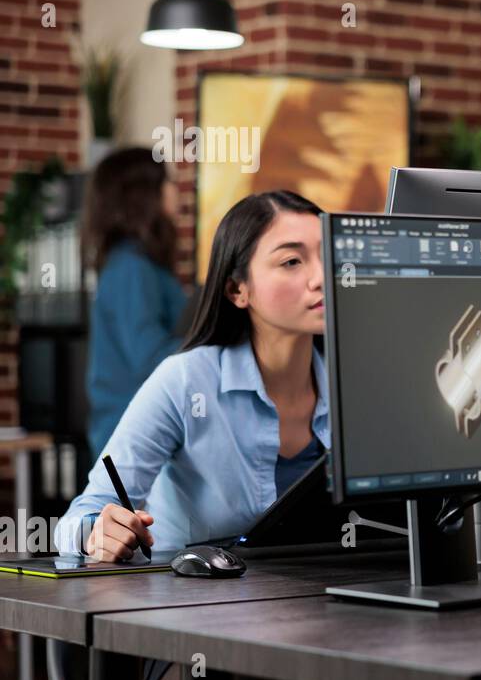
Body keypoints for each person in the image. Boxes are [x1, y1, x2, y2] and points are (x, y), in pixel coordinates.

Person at [54, 189, 327, 559]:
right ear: (236, 289)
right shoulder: (185, 381)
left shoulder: (357, 384)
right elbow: (79, 517)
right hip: (193, 608)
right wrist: (96, 533)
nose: (321, 277)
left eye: (329, 254)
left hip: (319, 602)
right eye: (293, 261)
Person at [82, 148, 187, 458]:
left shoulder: (137, 263)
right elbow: (150, 356)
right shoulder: (131, 267)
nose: (175, 189)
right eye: (167, 181)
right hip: (132, 443)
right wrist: (215, 340)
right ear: (145, 195)